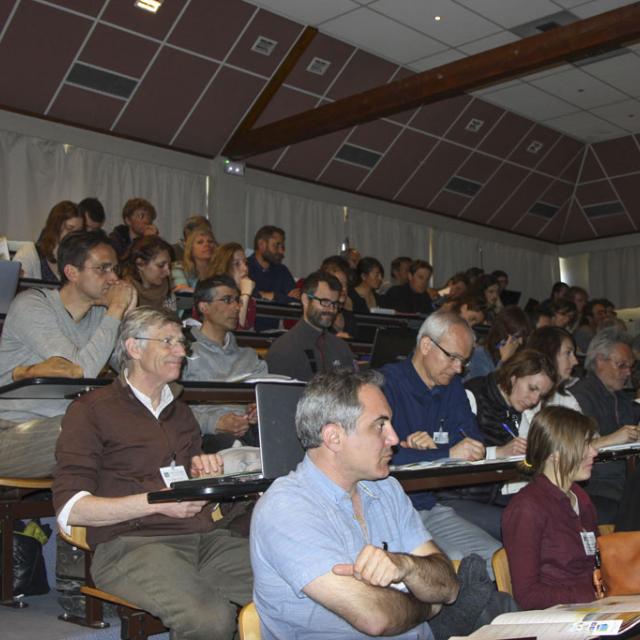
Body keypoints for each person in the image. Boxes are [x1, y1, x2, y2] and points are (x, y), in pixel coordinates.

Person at [52, 307, 253, 639]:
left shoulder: (181, 413)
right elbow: (71, 509)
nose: (181, 351)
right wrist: (156, 503)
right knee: (210, 619)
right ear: (134, 348)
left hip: (203, 537)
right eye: (169, 341)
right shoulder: (90, 411)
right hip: (130, 545)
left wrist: (204, 475)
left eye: (181, 342)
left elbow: (187, 486)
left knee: (290, 588)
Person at [251, 369, 459, 639]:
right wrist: (428, 606)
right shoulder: (285, 508)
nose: (394, 439)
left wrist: (406, 565)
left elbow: (448, 587)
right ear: (334, 437)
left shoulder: (386, 489)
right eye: (380, 425)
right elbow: (376, 618)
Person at [0, 231, 136, 476]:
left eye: (115, 269)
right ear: (72, 273)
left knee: (140, 423)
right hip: (11, 432)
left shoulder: (100, 318)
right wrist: (115, 310)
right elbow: (78, 374)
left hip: (70, 427)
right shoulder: (32, 305)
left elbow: (132, 373)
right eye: (103, 269)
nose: (114, 278)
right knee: (92, 429)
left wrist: (129, 320)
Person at [379, 311, 501, 570]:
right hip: (392, 510)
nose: (458, 368)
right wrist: (447, 453)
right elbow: (386, 456)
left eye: (463, 362)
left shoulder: (452, 386)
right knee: (454, 561)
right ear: (426, 345)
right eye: (453, 357)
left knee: (496, 556)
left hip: (430, 505)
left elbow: (473, 444)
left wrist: (436, 451)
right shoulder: (384, 385)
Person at [502, 406, 599, 609]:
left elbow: (595, 565)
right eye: (584, 445)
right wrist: (593, 594)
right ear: (555, 454)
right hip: (560, 617)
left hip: (591, 609)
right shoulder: (527, 508)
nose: (594, 452)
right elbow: (528, 596)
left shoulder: (581, 498)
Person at [183, 275, 267, 450]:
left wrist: (257, 410)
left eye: (237, 300)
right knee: (231, 446)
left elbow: (267, 400)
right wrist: (215, 423)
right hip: (207, 438)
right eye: (227, 300)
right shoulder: (184, 353)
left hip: (252, 434)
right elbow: (171, 408)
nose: (237, 307)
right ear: (204, 307)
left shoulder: (250, 357)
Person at [570, 327, 640, 523]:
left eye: (630, 367)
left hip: (623, 485)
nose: (628, 373)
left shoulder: (621, 398)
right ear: (600, 361)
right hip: (597, 486)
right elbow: (576, 449)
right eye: (621, 365)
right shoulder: (579, 397)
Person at [265, 271, 355, 381]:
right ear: (305, 300)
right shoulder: (283, 350)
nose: (331, 310)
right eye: (324, 302)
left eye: (335, 304)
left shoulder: (341, 348)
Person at [13, 200, 85, 281]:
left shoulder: (78, 258)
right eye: (69, 228)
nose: (74, 235)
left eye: (79, 231)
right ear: (55, 226)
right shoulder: (28, 252)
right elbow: (17, 289)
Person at [248, 225, 299, 331]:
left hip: (273, 335)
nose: (281, 251)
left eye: (283, 247)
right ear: (261, 244)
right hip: (246, 334)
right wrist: (280, 297)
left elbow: (295, 300)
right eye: (276, 246)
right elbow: (245, 297)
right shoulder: (244, 267)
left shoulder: (282, 270)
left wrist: (273, 296)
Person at [463, 305, 530, 382]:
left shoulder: (518, 359)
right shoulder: (479, 356)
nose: (520, 342)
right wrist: (504, 361)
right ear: (503, 335)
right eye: (516, 337)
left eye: (523, 337)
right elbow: (485, 389)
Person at [121, 235, 176, 315]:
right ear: (140, 264)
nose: (168, 272)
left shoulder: (166, 284)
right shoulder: (125, 293)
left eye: (169, 266)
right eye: (161, 265)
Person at [209, 242, 256, 330]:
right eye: (237, 264)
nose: (245, 268)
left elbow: (245, 335)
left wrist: (245, 296)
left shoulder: (250, 301)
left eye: (245, 263)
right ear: (224, 268)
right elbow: (235, 331)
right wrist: (245, 296)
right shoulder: (213, 295)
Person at [319, 255, 358, 338]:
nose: (344, 288)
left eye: (345, 284)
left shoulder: (350, 318)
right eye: (339, 283)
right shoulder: (317, 316)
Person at [171, 227, 217, 293]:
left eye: (210, 241)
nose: (207, 244)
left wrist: (192, 290)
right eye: (200, 242)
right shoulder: (178, 268)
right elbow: (183, 292)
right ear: (190, 249)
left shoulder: (221, 270)